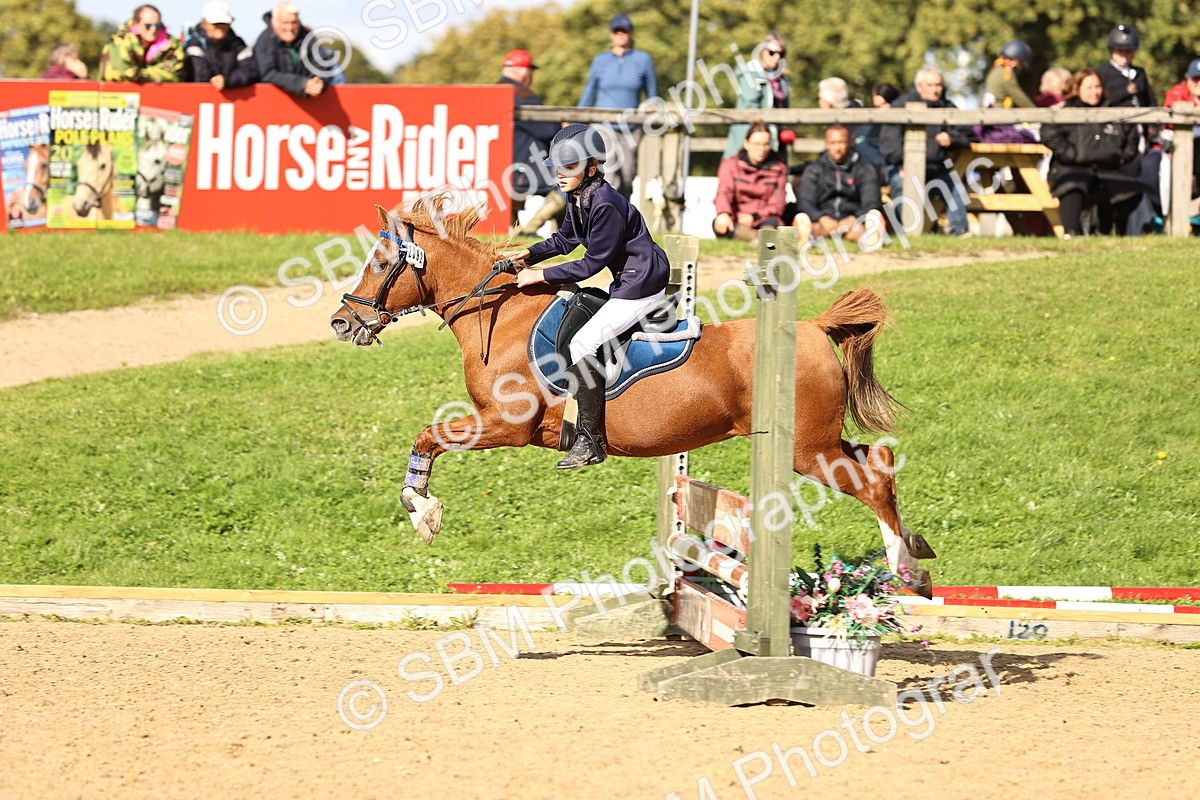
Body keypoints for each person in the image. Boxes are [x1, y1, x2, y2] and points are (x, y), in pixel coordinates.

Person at [500, 124, 670, 470]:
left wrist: (540, 275)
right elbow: (565, 242)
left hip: (642, 284)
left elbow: (592, 263)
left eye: (570, 167)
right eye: (559, 168)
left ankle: (590, 441)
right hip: (626, 280)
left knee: (583, 343)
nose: (561, 175)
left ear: (591, 168)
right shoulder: (578, 196)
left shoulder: (605, 203)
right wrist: (528, 256)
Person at [1040, 69, 1144, 236]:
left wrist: (1120, 158)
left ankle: (1107, 232)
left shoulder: (1112, 110)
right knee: (1073, 183)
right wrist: (1071, 154)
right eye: (1089, 87)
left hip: (1106, 169)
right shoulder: (1065, 112)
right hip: (1070, 169)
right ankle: (1071, 233)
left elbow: (1131, 135)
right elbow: (1048, 133)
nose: (1095, 92)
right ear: (1077, 88)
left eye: (1097, 87)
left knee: (1130, 189)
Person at [879, 66, 973, 236]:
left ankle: (959, 231)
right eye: (930, 85)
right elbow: (888, 141)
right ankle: (903, 233)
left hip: (936, 169)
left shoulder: (948, 107)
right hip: (903, 168)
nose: (935, 90)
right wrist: (902, 164)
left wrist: (952, 138)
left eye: (938, 85)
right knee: (901, 186)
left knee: (954, 187)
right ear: (919, 86)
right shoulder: (900, 106)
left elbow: (968, 134)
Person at [578, 13, 659, 200]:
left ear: (631, 33)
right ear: (611, 34)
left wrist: (654, 119)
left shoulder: (643, 60)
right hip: (603, 125)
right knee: (610, 173)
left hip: (630, 128)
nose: (620, 34)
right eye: (617, 30)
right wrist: (576, 120)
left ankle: (623, 217)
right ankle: (605, 219)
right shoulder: (601, 60)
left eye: (625, 30)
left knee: (627, 177)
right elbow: (589, 92)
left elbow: (652, 95)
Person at [500, 49, 566, 236]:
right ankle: (530, 229)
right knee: (572, 180)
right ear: (520, 70)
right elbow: (547, 130)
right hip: (527, 165)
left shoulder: (498, 90)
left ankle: (517, 231)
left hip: (504, 168)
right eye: (529, 70)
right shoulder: (522, 93)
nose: (531, 75)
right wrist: (561, 124)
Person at [796, 124, 882, 243]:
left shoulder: (865, 168)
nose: (837, 148)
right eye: (832, 143)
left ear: (850, 142)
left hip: (853, 222)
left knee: (874, 215)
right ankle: (804, 241)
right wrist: (822, 218)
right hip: (823, 222)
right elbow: (805, 202)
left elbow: (872, 202)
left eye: (841, 142)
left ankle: (870, 241)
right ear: (826, 144)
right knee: (803, 220)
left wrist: (853, 219)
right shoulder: (814, 169)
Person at [713, 122, 789, 244]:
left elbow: (778, 204)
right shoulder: (729, 164)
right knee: (720, 224)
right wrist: (723, 213)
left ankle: (759, 240)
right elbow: (724, 193)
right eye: (757, 144)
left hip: (765, 219)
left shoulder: (779, 168)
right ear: (746, 144)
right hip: (738, 218)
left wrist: (755, 217)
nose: (761, 149)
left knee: (771, 227)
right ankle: (759, 240)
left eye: (766, 144)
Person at [724, 32, 790, 157]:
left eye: (780, 54)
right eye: (772, 52)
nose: (776, 57)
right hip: (750, 138)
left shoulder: (780, 80)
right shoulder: (750, 74)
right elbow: (751, 105)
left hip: (773, 140)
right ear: (762, 51)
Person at [254, 2, 327, 98]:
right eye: (285, 23)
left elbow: (321, 62)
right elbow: (267, 73)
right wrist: (301, 84)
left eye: (294, 22)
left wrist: (317, 82)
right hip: (271, 100)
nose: (290, 28)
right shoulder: (265, 40)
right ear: (274, 22)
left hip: (307, 101)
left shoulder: (307, 36)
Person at [100, 4, 185, 83]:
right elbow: (117, 74)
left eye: (158, 25)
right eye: (148, 26)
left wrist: (139, 74)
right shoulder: (120, 42)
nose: (153, 29)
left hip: (160, 96)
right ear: (136, 24)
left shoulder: (173, 45)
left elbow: (174, 75)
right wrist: (153, 74)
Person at [184, 1, 258, 89]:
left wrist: (227, 80)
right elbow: (200, 74)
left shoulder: (238, 44)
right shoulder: (194, 44)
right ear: (205, 23)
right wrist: (216, 82)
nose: (221, 27)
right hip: (196, 98)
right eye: (216, 23)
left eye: (224, 23)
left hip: (233, 99)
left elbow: (250, 70)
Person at [1096, 25, 1156, 110]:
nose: (1124, 56)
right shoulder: (1101, 72)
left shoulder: (1139, 73)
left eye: (1128, 52)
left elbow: (1150, 102)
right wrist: (1125, 92)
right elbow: (1100, 102)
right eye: (1120, 51)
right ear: (1112, 50)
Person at [854, 82, 899, 171]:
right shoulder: (869, 125)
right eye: (877, 106)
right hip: (877, 168)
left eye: (885, 104)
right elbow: (860, 140)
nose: (881, 110)